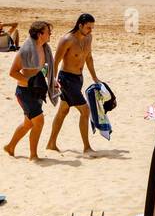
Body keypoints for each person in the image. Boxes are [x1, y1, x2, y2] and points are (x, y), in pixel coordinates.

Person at [46, 13, 99, 154]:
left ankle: (51, 143)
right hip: (66, 79)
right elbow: (55, 62)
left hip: (78, 79)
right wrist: (53, 81)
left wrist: (95, 78)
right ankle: (87, 147)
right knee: (85, 110)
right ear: (80, 25)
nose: (90, 30)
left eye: (92, 28)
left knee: (63, 110)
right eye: (88, 27)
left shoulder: (89, 38)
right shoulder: (67, 40)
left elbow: (89, 58)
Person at [4, 21, 57, 160]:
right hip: (25, 92)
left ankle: (10, 147)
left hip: (37, 91)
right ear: (40, 34)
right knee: (39, 121)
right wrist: (30, 82)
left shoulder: (44, 48)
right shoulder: (26, 51)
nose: (50, 34)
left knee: (28, 124)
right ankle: (33, 155)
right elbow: (12, 72)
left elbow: (42, 69)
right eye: (48, 32)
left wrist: (52, 81)